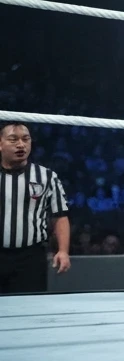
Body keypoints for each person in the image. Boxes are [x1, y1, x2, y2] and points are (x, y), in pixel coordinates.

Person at [0, 122, 70, 293]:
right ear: (0, 144)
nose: (21, 144)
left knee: (29, 309)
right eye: (13, 139)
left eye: (26, 139)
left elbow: (59, 215)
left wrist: (63, 250)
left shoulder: (46, 176)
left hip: (31, 257)